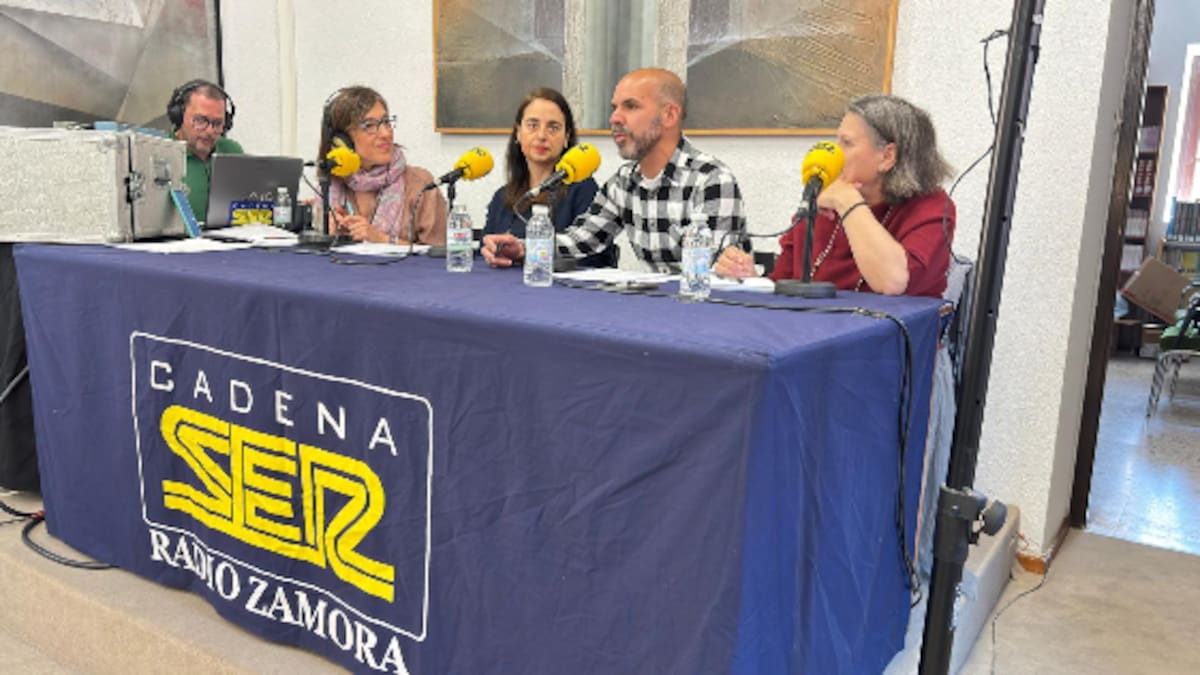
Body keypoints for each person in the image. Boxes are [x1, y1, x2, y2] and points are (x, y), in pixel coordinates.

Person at [481, 68, 745, 271]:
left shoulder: (710, 179)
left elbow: (712, 271)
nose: (614, 118)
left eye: (630, 106)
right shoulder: (623, 182)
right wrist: (524, 248)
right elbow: (581, 240)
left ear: (669, 115)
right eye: (614, 108)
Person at [714, 94, 955, 297]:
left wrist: (848, 202)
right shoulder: (823, 201)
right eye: (836, 139)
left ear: (887, 156)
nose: (835, 152)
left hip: (887, 347)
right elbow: (784, 283)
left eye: (846, 143)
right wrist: (750, 278)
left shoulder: (932, 207)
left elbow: (893, 283)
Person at [484, 87, 614, 268]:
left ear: (566, 137)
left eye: (553, 127)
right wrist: (490, 251)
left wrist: (526, 252)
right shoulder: (502, 197)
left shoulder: (584, 189)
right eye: (532, 125)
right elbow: (486, 252)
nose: (542, 135)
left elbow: (592, 258)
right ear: (518, 133)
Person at [319, 86, 447, 246]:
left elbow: (439, 255)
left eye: (386, 122)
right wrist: (327, 231)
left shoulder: (421, 184)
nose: (386, 133)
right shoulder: (330, 184)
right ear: (342, 140)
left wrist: (380, 239)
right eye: (370, 126)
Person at [169, 79, 243, 223]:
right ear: (179, 116)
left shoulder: (232, 151)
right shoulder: (158, 152)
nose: (209, 131)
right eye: (200, 121)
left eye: (217, 124)